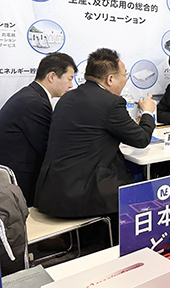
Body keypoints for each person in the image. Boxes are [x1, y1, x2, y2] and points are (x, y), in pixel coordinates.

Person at [35, 48, 155, 224]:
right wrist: (147, 112)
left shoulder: (67, 97)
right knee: (142, 186)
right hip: (83, 194)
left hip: (53, 192)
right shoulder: (111, 103)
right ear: (110, 79)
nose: (125, 80)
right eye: (125, 75)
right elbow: (141, 139)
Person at [0, 53, 76, 206]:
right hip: (21, 182)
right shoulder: (35, 103)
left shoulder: (30, 95)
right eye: (69, 79)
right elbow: (49, 147)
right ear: (52, 76)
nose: (71, 85)